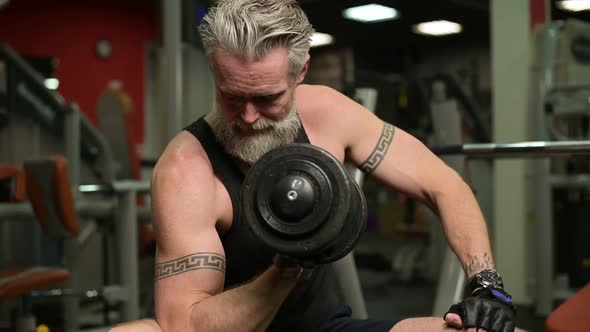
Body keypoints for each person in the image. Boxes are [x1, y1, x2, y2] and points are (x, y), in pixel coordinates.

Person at [111, 0, 517, 331]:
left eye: (268, 98)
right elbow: (188, 327)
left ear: (300, 72)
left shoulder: (326, 113)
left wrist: (486, 285)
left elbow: (443, 184)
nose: (249, 117)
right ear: (215, 72)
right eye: (232, 97)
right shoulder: (186, 170)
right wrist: (290, 262)